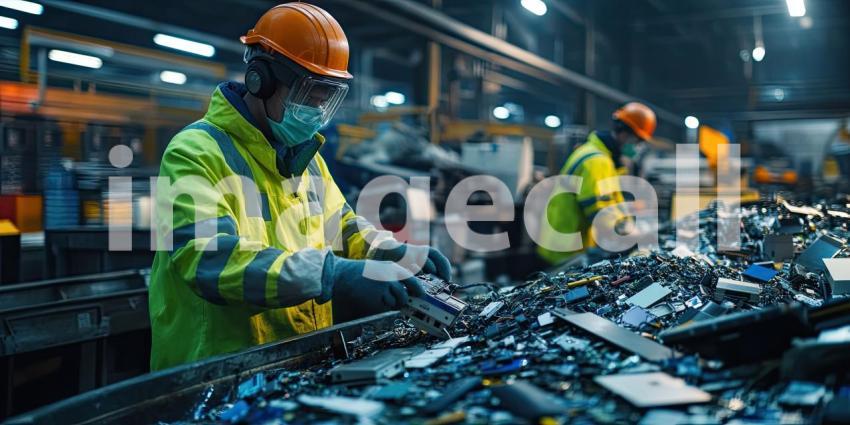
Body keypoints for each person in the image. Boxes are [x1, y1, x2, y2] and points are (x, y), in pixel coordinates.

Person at [148, 3, 451, 371]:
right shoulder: (195, 153)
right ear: (261, 79)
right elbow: (210, 260)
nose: (318, 109)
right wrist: (332, 275)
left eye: (328, 95)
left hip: (297, 361)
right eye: (310, 92)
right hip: (214, 375)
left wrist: (391, 253)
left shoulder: (306, 159)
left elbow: (344, 229)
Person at [536, 102, 656, 265]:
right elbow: (600, 214)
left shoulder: (596, 154)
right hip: (566, 249)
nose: (638, 147)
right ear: (626, 134)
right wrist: (630, 235)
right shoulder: (597, 162)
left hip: (565, 242)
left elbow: (609, 202)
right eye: (638, 141)